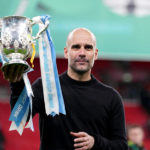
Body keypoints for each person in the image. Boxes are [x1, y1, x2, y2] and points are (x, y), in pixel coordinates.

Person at [3, 28, 128, 150]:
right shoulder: (46, 86)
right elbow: (21, 117)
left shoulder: (111, 97)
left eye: (88, 47)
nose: (82, 53)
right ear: (66, 52)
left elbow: (121, 146)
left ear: (95, 54)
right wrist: (17, 83)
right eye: (76, 47)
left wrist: (96, 142)